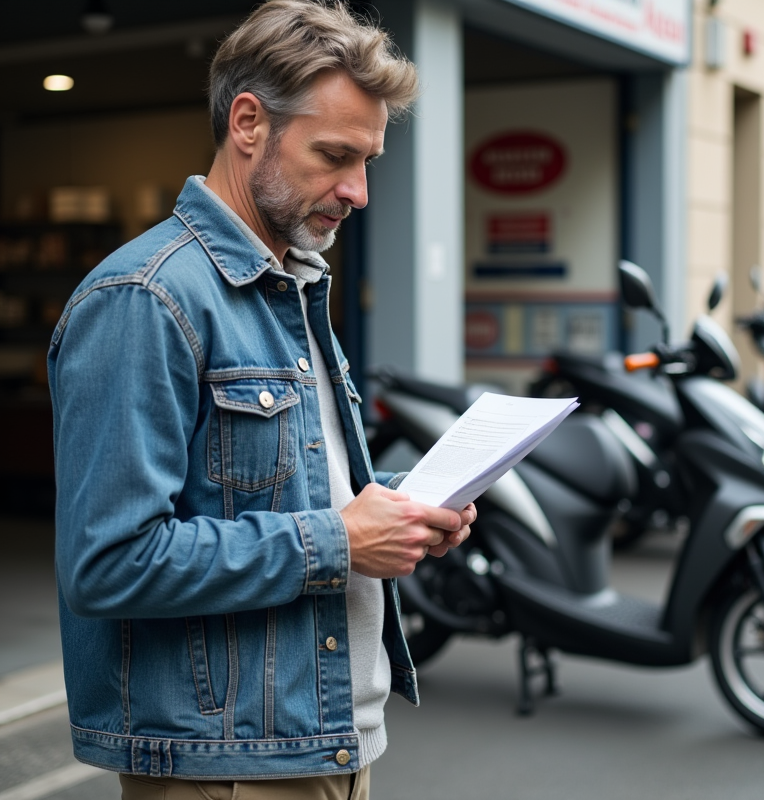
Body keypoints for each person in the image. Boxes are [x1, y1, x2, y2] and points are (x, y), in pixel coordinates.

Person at [46, 2, 475, 797]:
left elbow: (298, 494)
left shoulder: (292, 285)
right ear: (248, 123)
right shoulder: (144, 298)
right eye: (336, 155)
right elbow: (109, 564)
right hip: (229, 769)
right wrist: (340, 543)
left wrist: (399, 521)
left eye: (370, 159)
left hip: (329, 743)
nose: (359, 190)